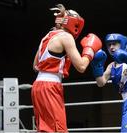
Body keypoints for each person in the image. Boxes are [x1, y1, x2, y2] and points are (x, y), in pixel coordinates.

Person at [31, 4, 102, 132]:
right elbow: (81, 66)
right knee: (59, 129)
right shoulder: (66, 37)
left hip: (38, 86)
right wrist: (89, 51)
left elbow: (35, 66)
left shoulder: (47, 36)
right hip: (50, 87)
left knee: (45, 129)